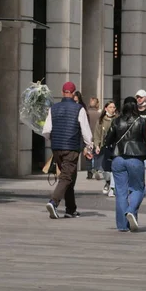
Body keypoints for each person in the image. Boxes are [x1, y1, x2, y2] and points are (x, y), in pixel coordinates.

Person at [43, 82, 94, 219]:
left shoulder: (53, 108)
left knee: (68, 176)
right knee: (66, 177)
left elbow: (47, 130)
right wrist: (89, 146)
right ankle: (53, 202)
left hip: (56, 147)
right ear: (73, 93)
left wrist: (52, 139)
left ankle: (70, 209)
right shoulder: (79, 109)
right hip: (71, 147)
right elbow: (85, 131)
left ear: (62, 92)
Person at [103, 97, 146, 232]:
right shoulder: (141, 121)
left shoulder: (116, 121)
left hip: (118, 158)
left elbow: (108, 140)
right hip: (135, 158)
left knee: (121, 192)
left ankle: (122, 225)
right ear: (136, 107)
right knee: (138, 189)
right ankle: (131, 210)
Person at [93, 100, 118, 196]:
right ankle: (107, 182)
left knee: (113, 168)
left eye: (114, 107)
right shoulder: (101, 120)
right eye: (111, 107)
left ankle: (112, 187)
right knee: (105, 168)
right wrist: (97, 145)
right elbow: (97, 134)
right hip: (104, 147)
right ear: (106, 108)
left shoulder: (117, 119)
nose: (112, 109)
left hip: (115, 147)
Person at [86, 97, 101, 179]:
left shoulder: (86, 113)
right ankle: (96, 168)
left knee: (88, 154)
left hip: (88, 136)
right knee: (96, 154)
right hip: (96, 137)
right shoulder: (99, 114)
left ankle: (89, 172)